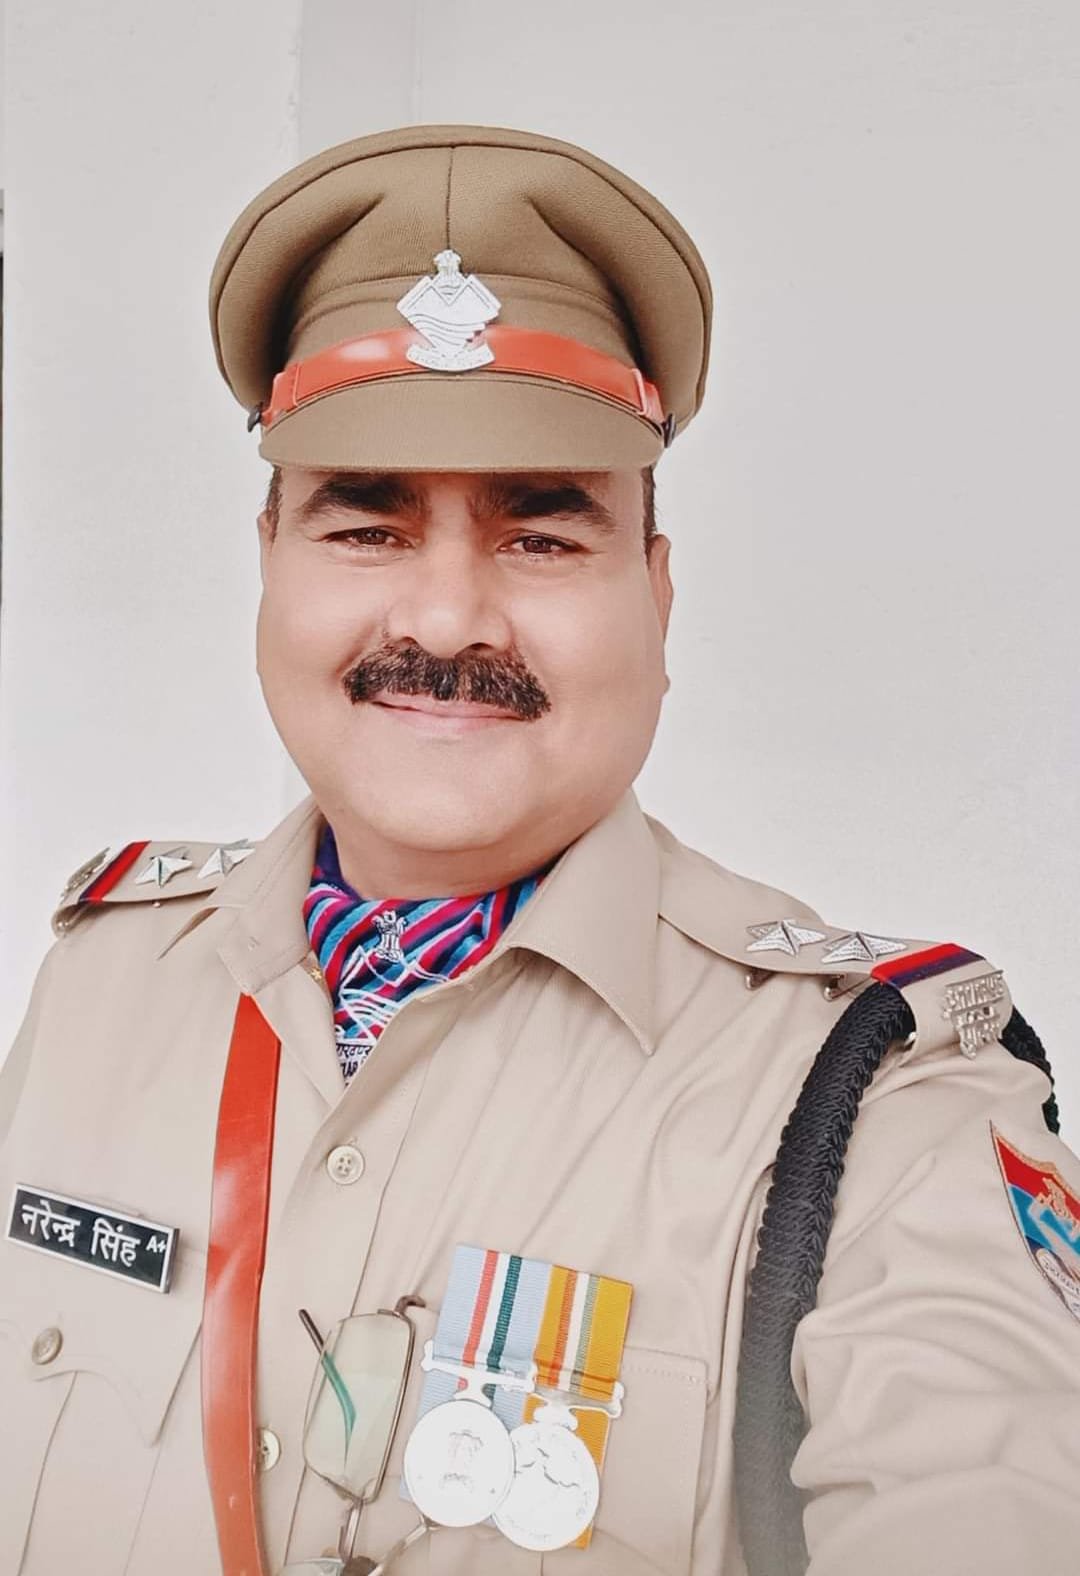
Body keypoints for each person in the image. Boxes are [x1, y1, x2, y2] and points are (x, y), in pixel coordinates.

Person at [1, 124, 1078, 1576]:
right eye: (366, 527)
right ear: (268, 565)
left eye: (543, 535)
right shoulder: (101, 983)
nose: (447, 619)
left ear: (659, 594)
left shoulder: (883, 1105)